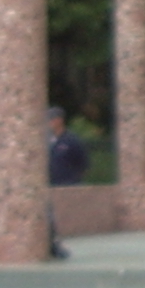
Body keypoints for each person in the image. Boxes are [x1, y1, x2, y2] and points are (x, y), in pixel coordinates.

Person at [46, 107, 88, 261]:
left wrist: (74, 179)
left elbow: (83, 163)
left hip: (68, 184)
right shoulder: (48, 140)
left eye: (52, 119)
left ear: (59, 120)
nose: (49, 123)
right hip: (51, 185)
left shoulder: (71, 140)